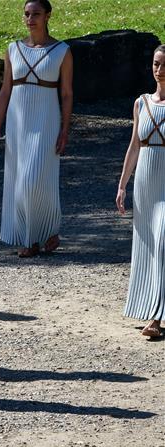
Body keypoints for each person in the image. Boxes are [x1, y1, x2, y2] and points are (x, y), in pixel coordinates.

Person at [0, 0, 73, 258]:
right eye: (27, 14)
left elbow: (67, 94)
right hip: (18, 122)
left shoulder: (62, 51)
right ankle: (35, 237)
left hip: (47, 120)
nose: (30, 19)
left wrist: (64, 129)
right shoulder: (13, 49)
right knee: (20, 179)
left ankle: (47, 229)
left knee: (38, 179)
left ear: (48, 16)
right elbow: (5, 90)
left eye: (36, 14)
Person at [115, 44, 165, 339]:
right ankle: (151, 307)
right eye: (157, 64)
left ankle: (156, 317)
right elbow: (134, 145)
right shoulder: (141, 103)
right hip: (145, 183)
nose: (160, 70)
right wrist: (122, 184)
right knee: (148, 244)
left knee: (163, 242)